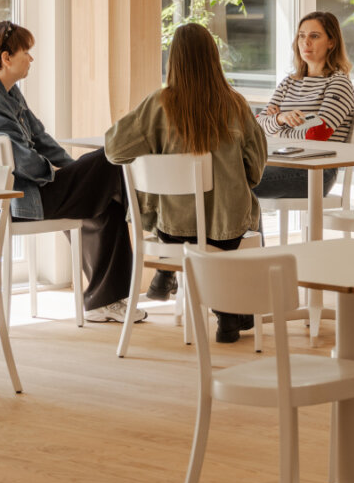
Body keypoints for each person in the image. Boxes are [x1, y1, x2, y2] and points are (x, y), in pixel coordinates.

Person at [0, 20, 142, 324]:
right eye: (26, 52)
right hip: (11, 202)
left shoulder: (6, 93)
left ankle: (103, 302)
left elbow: (40, 137)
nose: (31, 58)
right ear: (7, 58)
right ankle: (152, 228)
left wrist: (74, 170)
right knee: (110, 160)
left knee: (105, 197)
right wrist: (66, 175)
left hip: (18, 195)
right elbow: (25, 163)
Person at [106, 23, 268, 343]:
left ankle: (168, 269)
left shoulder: (158, 104)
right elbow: (255, 170)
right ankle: (227, 314)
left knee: (182, 222)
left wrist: (154, 151)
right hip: (226, 229)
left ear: (174, 60)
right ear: (213, 58)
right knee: (239, 220)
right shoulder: (236, 104)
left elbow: (114, 150)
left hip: (173, 229)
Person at [251, 10, 354, 204]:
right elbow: (255, 129)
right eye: (301, 36)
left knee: (238, 181)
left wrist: (277, 131)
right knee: (231, 178)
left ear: (331, 42)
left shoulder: (338, 83)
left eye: (314, 36)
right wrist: (280, 118)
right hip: (279, 163)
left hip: (316, 172)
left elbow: (317, 134)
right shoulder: (288, 83)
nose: (305, 42)